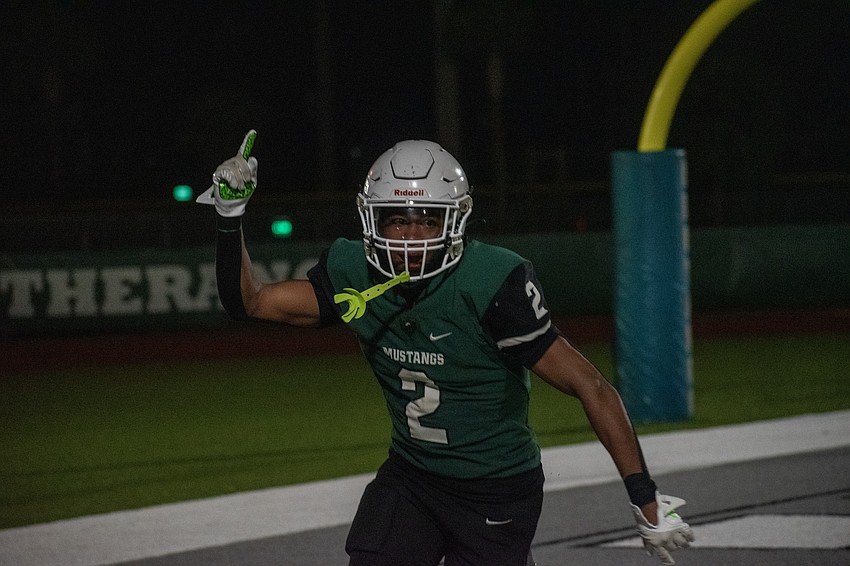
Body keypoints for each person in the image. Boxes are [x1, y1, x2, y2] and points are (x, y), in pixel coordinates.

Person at [201, 132, 694, 566]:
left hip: (497, 489)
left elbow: (591, 386)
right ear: (371, 219)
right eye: (397, 221)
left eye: (427, 222)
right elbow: (251, 302)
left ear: (455, 221)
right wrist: (230, 214)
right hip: (413, 476)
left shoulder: (489, 282)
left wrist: (643, 497)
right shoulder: (356, 272)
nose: (411, 238)